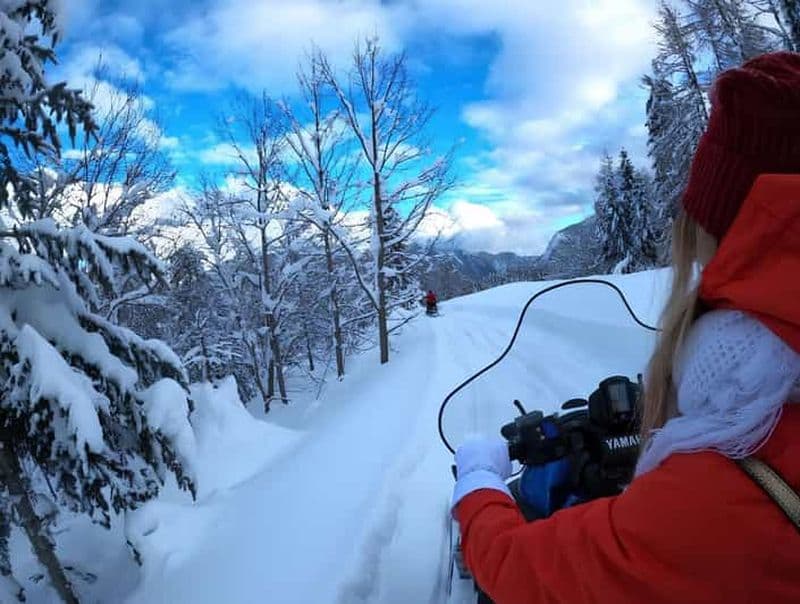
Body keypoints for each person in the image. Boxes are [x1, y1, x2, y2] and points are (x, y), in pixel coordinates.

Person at [451, 51, 800, 604]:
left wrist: (476, 483)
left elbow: (522, 572)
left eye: (710, 269)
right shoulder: (763, 394)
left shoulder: (722, 496)